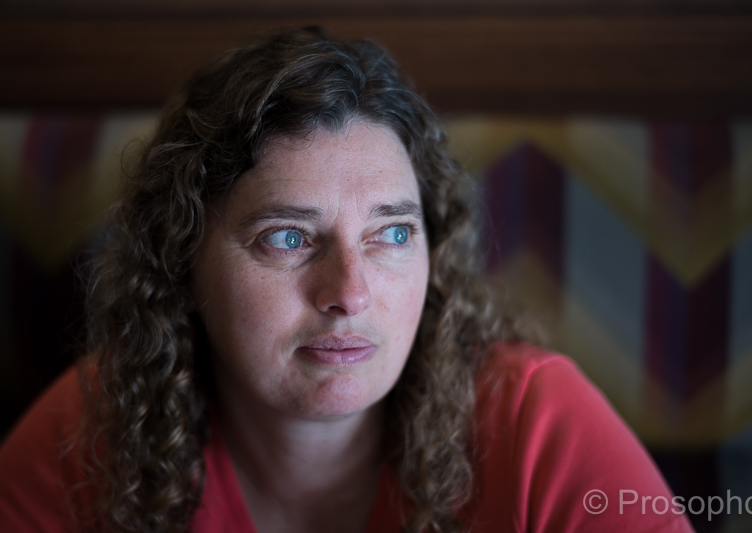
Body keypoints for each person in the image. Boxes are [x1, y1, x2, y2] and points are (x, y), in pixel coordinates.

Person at [0, 27, 694, 533]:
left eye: (391, 234)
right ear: (180, 263)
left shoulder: (534, 426)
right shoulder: (88, 436)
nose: (351, 294)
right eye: (288, 237)